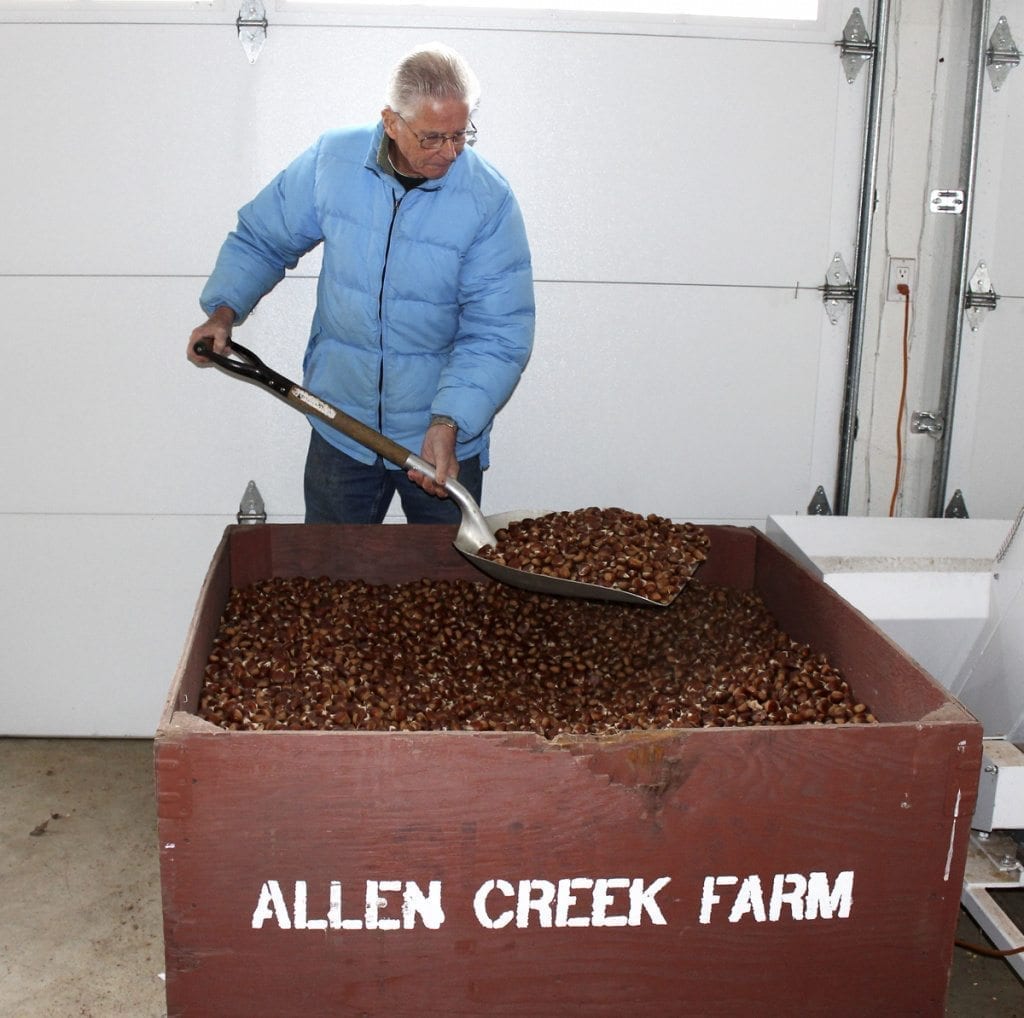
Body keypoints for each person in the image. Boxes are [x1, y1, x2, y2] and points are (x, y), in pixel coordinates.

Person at [188, 43, 535, 524]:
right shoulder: (334, 161)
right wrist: (223, 312)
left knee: (445, 590)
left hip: (436, 440)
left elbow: (498, 332)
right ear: (392, 122)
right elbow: (263, 238)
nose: (451, 152)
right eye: (433, 138)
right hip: (340, 424)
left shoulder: (487, 199)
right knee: (330, 583)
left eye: (461, 134)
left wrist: (450, 420)